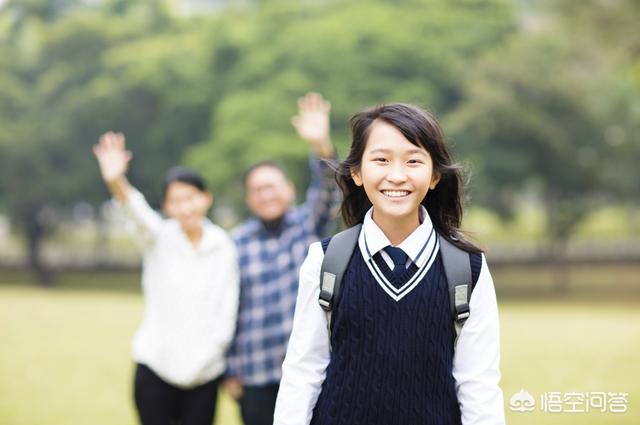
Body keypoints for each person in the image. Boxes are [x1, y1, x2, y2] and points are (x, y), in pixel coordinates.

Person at [273, 103, 505, 424]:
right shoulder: (326, 260)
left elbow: (478, 384)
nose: (396, 176)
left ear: (435, 174)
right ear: (356, 172)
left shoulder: (468, 268)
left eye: (413, 161)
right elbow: (303, 372)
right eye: (381, 159)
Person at [93, 131, 239, 425]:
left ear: (206, 198)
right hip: (155, 368)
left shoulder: (223, 245)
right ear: (167, 207)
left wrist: (211, 359)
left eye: (191, 198)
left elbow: (227, 310)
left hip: (205, 374)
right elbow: (136, 212)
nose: (185, 208)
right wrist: (116, 182)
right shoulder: (158, 238)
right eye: (176, 201)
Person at [223, 92, 341, 425]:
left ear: (289, 189)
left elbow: (331, 188)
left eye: (272, 186)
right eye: (257, 190)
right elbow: (230, 308)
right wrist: (229, 370)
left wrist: (321, 145)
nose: (266, 194)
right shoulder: (237, 243)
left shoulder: (308, 225)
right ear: (249, 198)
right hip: (256, 373)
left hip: (311, 369)